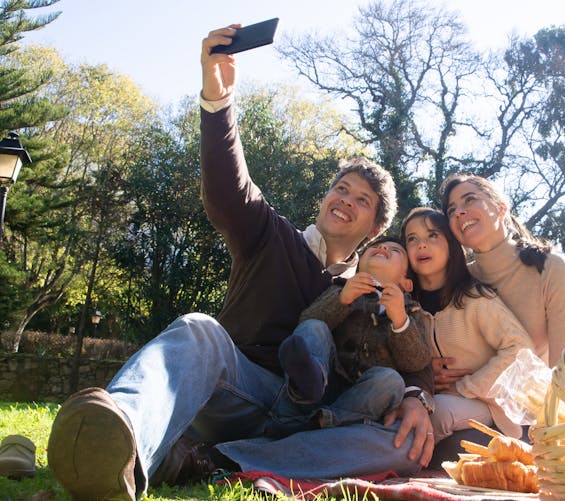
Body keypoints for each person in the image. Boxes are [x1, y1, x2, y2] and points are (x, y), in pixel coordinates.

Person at [46, 24, 434, 501]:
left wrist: (417, 397)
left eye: (363, 200)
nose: (346, 201)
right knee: (198, 328)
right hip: (237, 391)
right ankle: (117, 441)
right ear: (325, 197)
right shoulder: (271, 235)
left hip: (314, 423)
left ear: (374, 229)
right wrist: (217, 101)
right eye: (341, 189)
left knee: (402, 449)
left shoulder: (369, 296)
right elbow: (229, 190)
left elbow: (408, 354)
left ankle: (217, 461)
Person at [271, 235, 433, 437]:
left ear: (406, 284)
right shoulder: (340, 287)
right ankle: (304, 388)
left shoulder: (411, 311)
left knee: (391, 381)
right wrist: (343, 299)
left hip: (363, 396)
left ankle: (321, 421)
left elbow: (416, 362)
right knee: (313, 328)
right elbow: (307, 319)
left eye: (395, 250)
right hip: (326, 380)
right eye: (375, 246)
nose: (382, 247)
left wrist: (400, 321)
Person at [400, 207, 533, 442]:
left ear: (452, 245)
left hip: (486, 404)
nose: (422, 244)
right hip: (428, 399)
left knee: (436, 412)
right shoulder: (405, 305)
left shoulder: (476, 298)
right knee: (411, 411)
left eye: (433, 235)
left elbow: (520, 348)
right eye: (412, 239)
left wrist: (465, 386)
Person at [439, 174, 565, 386]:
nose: (459, 212)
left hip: (533, 408)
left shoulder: (550, 266)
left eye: (470, 199)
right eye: (451, 211)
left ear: (501, 208)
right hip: (465, 404)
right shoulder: (457, 280)